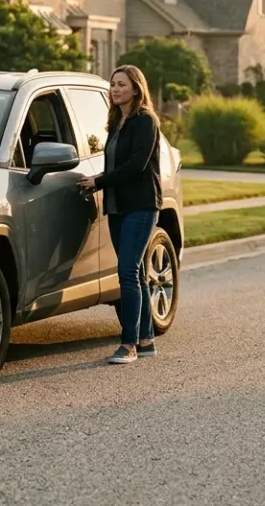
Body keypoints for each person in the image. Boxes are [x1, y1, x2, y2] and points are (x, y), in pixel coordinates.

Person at [77, 65, 163, 365]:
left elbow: (136, 166)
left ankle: (128, 345)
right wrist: (97, 181)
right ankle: (146, 338)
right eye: (113, 84)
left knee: (127, 272)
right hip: (116, 206)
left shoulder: (145, 121)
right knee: (135, 272)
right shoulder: (117, 122)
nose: (115, 89)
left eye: (122, 85)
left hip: (141, 206)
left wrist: (99, 181)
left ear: (136, 89)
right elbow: (116, 166)